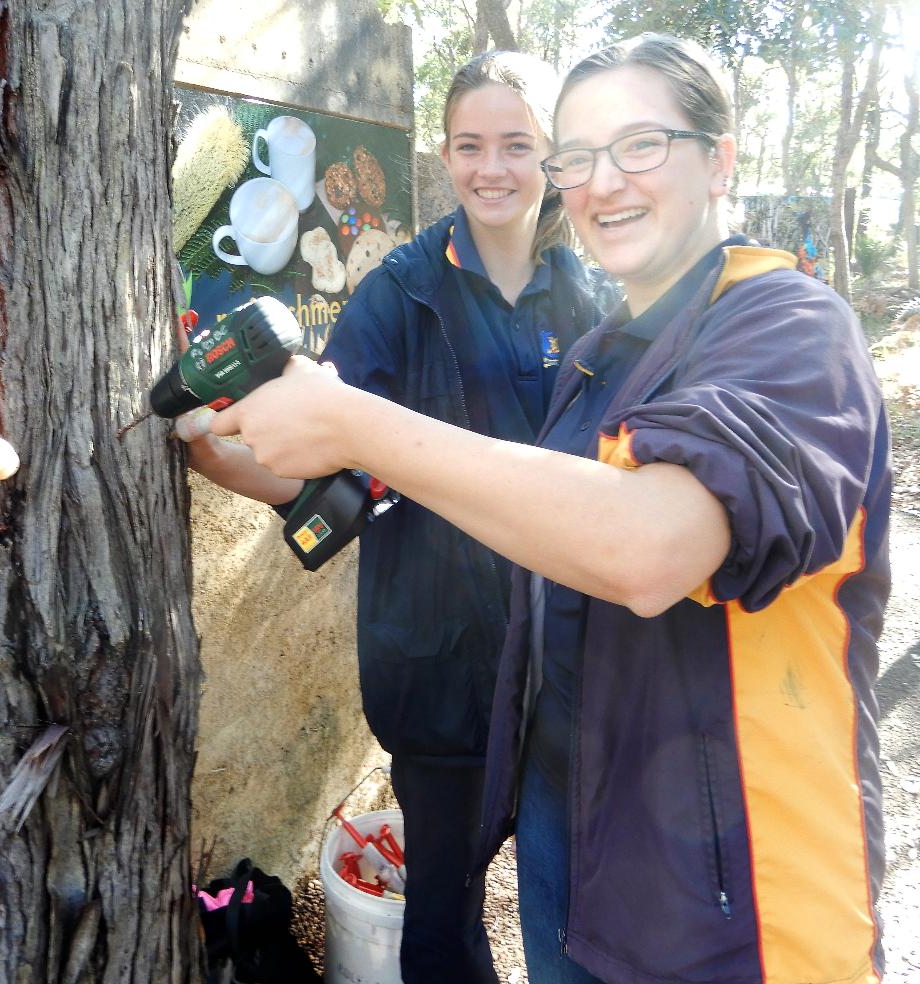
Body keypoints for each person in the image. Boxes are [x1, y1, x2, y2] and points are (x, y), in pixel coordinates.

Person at [207, 34, 891, 984]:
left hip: (734, 899)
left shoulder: (788, 328)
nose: (604, 182)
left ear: (721, 159)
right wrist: (246, 448)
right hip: (544, 773)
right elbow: (342, 485)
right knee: (449, 919)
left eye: (640, 145)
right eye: (581, 156)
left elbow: (647, 548)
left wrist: (357, 423)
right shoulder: (586, 338)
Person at [183, 52, 599, 984]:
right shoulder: (399, 295)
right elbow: (317, 460)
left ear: (554, 157)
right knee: (443, 920)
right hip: (442, 663)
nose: (492, 168)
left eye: (517, 145)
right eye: (470, 145)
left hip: (573, 663)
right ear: (446, 158)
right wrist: (214, 452)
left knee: (573, 901)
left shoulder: (592, 293)